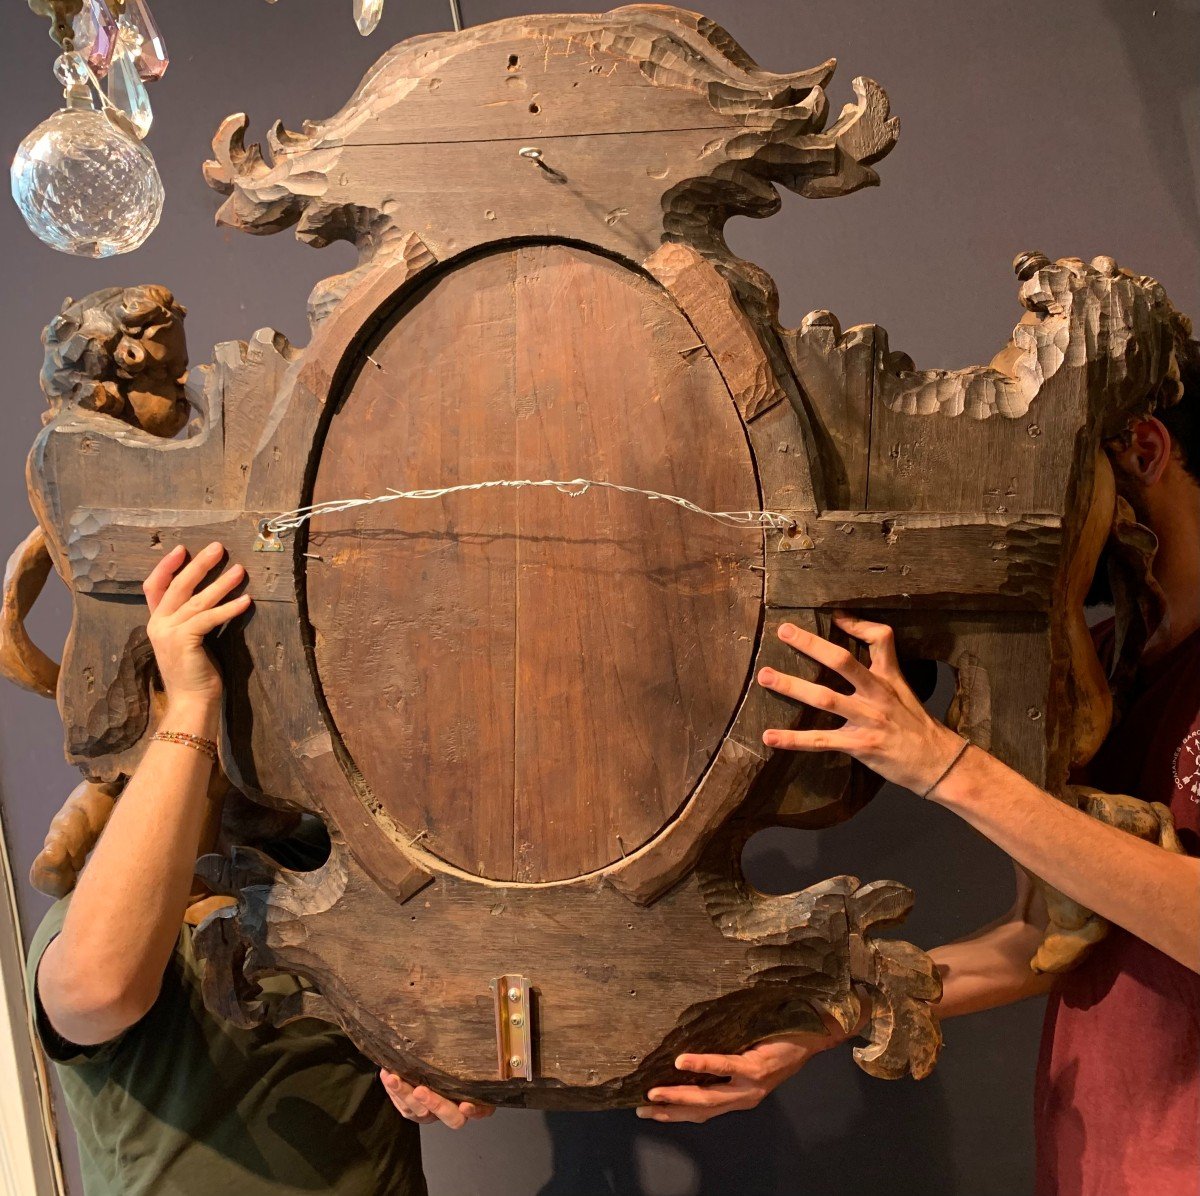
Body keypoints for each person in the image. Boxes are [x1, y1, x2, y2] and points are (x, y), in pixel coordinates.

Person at [638, 347, 1200, 1196]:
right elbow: (1045, 938)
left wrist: (946, 765)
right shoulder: (1108, 667)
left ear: (1144, 451)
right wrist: (832, 1016)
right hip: (1098, 1164)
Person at [25, 542, 489, 1195]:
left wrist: (439, 1067)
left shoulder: (328, 866)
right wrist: (190, 707)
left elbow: (455, 1004)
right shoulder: (77, 933)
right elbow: (103, 987)